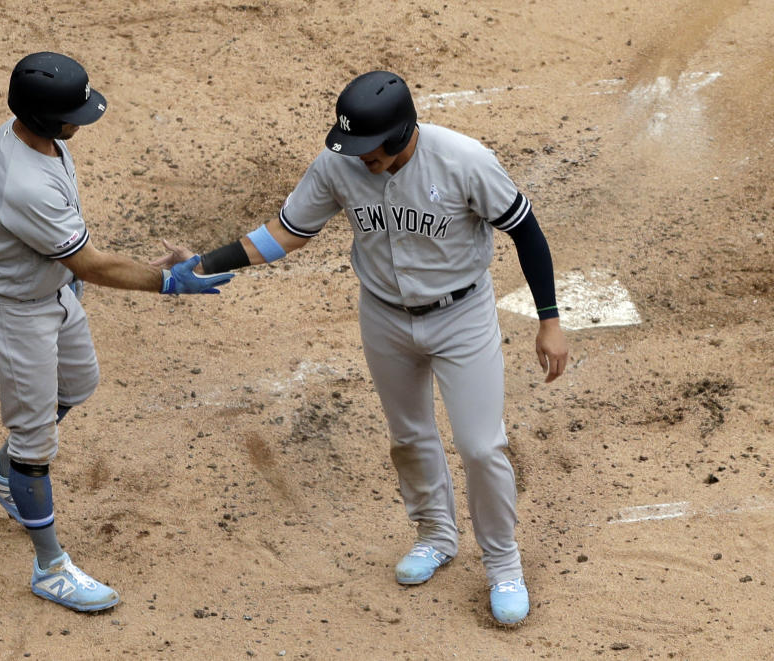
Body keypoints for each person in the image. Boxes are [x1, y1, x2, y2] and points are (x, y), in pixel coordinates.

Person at [154, 70, 568, 625]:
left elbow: (527, 231)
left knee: (480, 445)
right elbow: (285, 233)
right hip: (384, 316)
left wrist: (549, 320)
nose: (358, 159)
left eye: (368, 149)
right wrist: (203, 263)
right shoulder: (340, 164)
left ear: (400, 136)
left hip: (462, 316)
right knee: (409, 435)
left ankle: (503, 563)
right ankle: (436, 535)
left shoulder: (465, 161)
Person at [0, 52, 233, 612]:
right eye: (73, 112)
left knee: (78, 385)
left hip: (51, 294)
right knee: (37, 445)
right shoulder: (26, 184)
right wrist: (167, 282)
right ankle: (50, 567)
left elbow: (73, 261)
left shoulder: (34, 140)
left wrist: (68, 281)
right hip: (14, 317)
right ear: (42, 117)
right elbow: (89, 262)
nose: (81, 121)